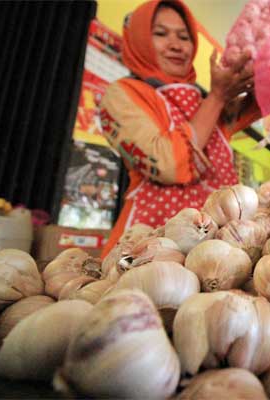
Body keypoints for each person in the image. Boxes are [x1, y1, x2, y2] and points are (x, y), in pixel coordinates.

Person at [100, 0, 258, 256]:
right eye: (161, 34)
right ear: (139, 39)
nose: (176, 45)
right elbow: (167, 164)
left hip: (217, 246)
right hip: (149, 245)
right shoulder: (122, 95)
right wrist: (217, 97)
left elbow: (266, 99)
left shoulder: (204, 101)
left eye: (184, 37)